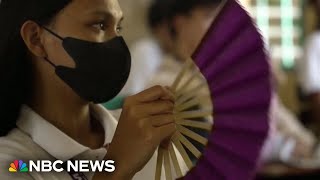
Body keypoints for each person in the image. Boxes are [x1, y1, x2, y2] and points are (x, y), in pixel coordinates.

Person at [0, 0, 188, 179]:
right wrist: (116, 168)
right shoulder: (13, 162)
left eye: (118, 27)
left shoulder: (141, 133)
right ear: (36, 39)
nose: (117, 44)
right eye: (99, 25)